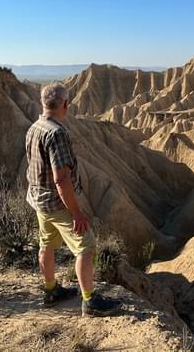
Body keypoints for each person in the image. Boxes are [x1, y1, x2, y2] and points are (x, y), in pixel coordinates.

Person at [25, 82, 121, 316]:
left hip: (38, 199)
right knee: (86, 247)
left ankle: (50, 291)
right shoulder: (56, 133)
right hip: (58, 203)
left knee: (46, 244)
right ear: (65, 105)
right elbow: (62, 179)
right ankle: (89, 301)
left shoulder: (34, 127)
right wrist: (76, 212)